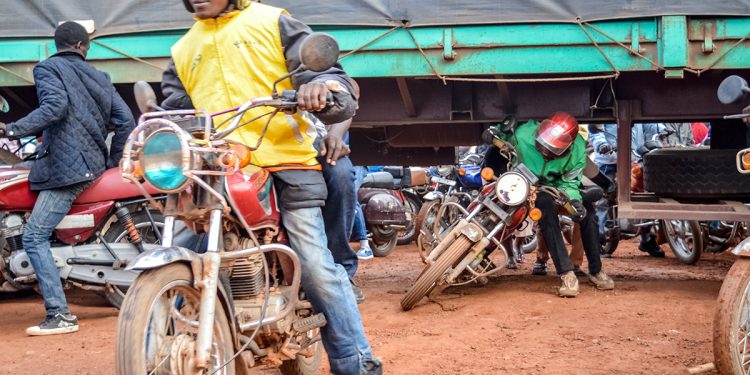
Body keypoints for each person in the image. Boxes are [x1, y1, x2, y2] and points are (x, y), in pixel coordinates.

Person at [160, 1, 380, 373]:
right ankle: (158, 350)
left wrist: (317, 86)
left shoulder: (272, 21)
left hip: (286, 162)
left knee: (314, 266)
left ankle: (356, 363)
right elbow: (176, 105)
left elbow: (331, 76)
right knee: (177, 252)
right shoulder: (183, 48)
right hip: (218, 169)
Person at [0, 22, 134, 335]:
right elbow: (125, 121)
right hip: (90, 166)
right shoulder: (100, 77)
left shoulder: (48, 68)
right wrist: (111, 163)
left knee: (34, 236)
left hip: (67, 169)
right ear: (83, 46)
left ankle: (60, 315)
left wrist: (11, 129)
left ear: (57, 44)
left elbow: (55, 107)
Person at [485, 113, 614, 297]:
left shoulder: (577, 149)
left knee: (588, 213)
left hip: (560, 187)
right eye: (543, 146)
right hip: (528, 185)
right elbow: (504, 136)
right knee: (545, 208)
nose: (546, 152)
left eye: (553, 150)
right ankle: (567, 273)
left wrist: (574, 201)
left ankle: (596, 270)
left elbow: (570, 183)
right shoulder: (524, 132)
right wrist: (494, 133)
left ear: (568, 146)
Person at [631, 122, 695, 257]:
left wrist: (663, 130)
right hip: (622, 158)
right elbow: (598, 134)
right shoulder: (620, 112)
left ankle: (650, 235)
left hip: (669, 162)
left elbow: (652, 125)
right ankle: (645, 235)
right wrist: (603, 145)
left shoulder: (685, 123)